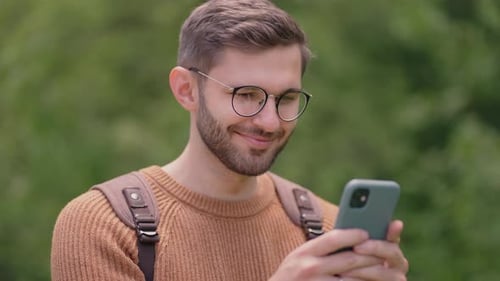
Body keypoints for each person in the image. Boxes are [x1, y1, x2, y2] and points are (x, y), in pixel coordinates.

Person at [51, 0, 409, 280]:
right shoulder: (106, 226)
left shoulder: (328, 231)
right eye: (247, 95)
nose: (269, 122)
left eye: (286, 99)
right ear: (186, 90)